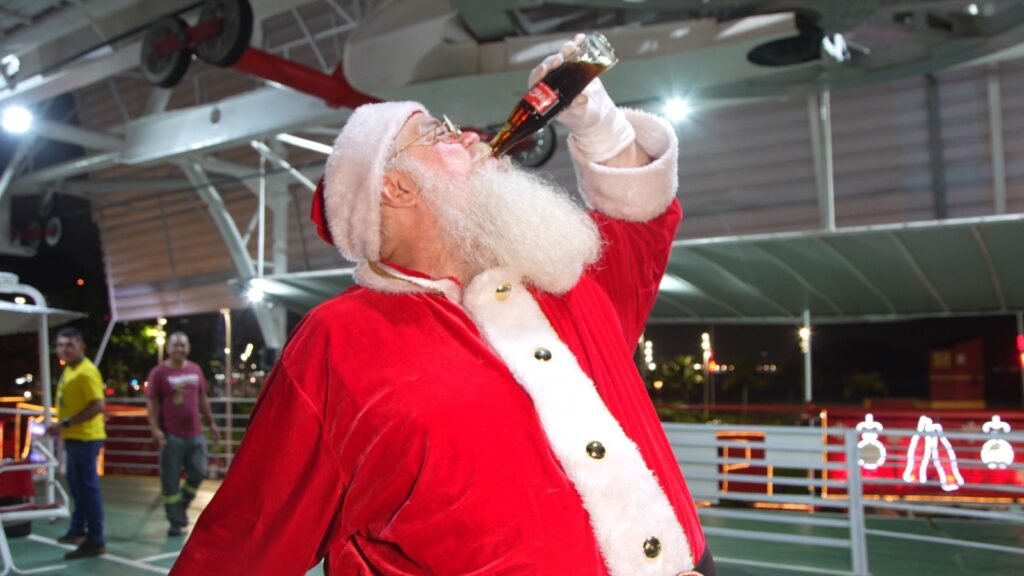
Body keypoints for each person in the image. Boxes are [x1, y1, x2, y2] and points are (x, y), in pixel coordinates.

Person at [174, 35, 713, 576]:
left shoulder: (556, 278)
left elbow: (638, 228)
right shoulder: (340, 340)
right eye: (439, 133)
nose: (472, 136)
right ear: (397, 188)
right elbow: (246, 540)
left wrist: (602, 129)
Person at [145, 332, 222, 536]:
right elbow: (152, 404)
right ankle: (175, 521)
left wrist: (211, 424)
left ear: (188, 347)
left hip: (195, 433)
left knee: (199, 471)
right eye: (175, 345)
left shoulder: (195, 369)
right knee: (170, 481)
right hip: (171, 435)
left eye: (183, 345)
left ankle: (181, 506)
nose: (179, 348)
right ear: (168, 348)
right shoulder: (158, 373)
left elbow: (202, 399)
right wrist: (155, 430)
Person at [45, 326, 106, 560]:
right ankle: (78, 529)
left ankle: (95, 539)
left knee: (88, 489)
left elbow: (98, 405)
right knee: (77, 487)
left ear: (82, 347)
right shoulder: (70, 369)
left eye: (70, 345)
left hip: (85, 438)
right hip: (74, 437)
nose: (64, 349)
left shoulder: (86, 372)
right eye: (60, 345)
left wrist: (67, 423)